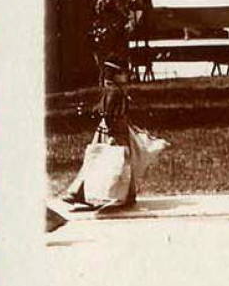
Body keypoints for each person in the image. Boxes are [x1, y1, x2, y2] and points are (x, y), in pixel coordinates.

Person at [61, 57, 165, 212]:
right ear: (115, 76)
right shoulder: (115, 93)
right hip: (114, 133)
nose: (127, 77)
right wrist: (113, 133)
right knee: (116, 163)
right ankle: (84, 192)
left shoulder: (112, 92)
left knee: (104, 162)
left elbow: (103, 111)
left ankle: (83, 192)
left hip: (113, 130)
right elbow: (110, 115)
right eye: (123, 74)